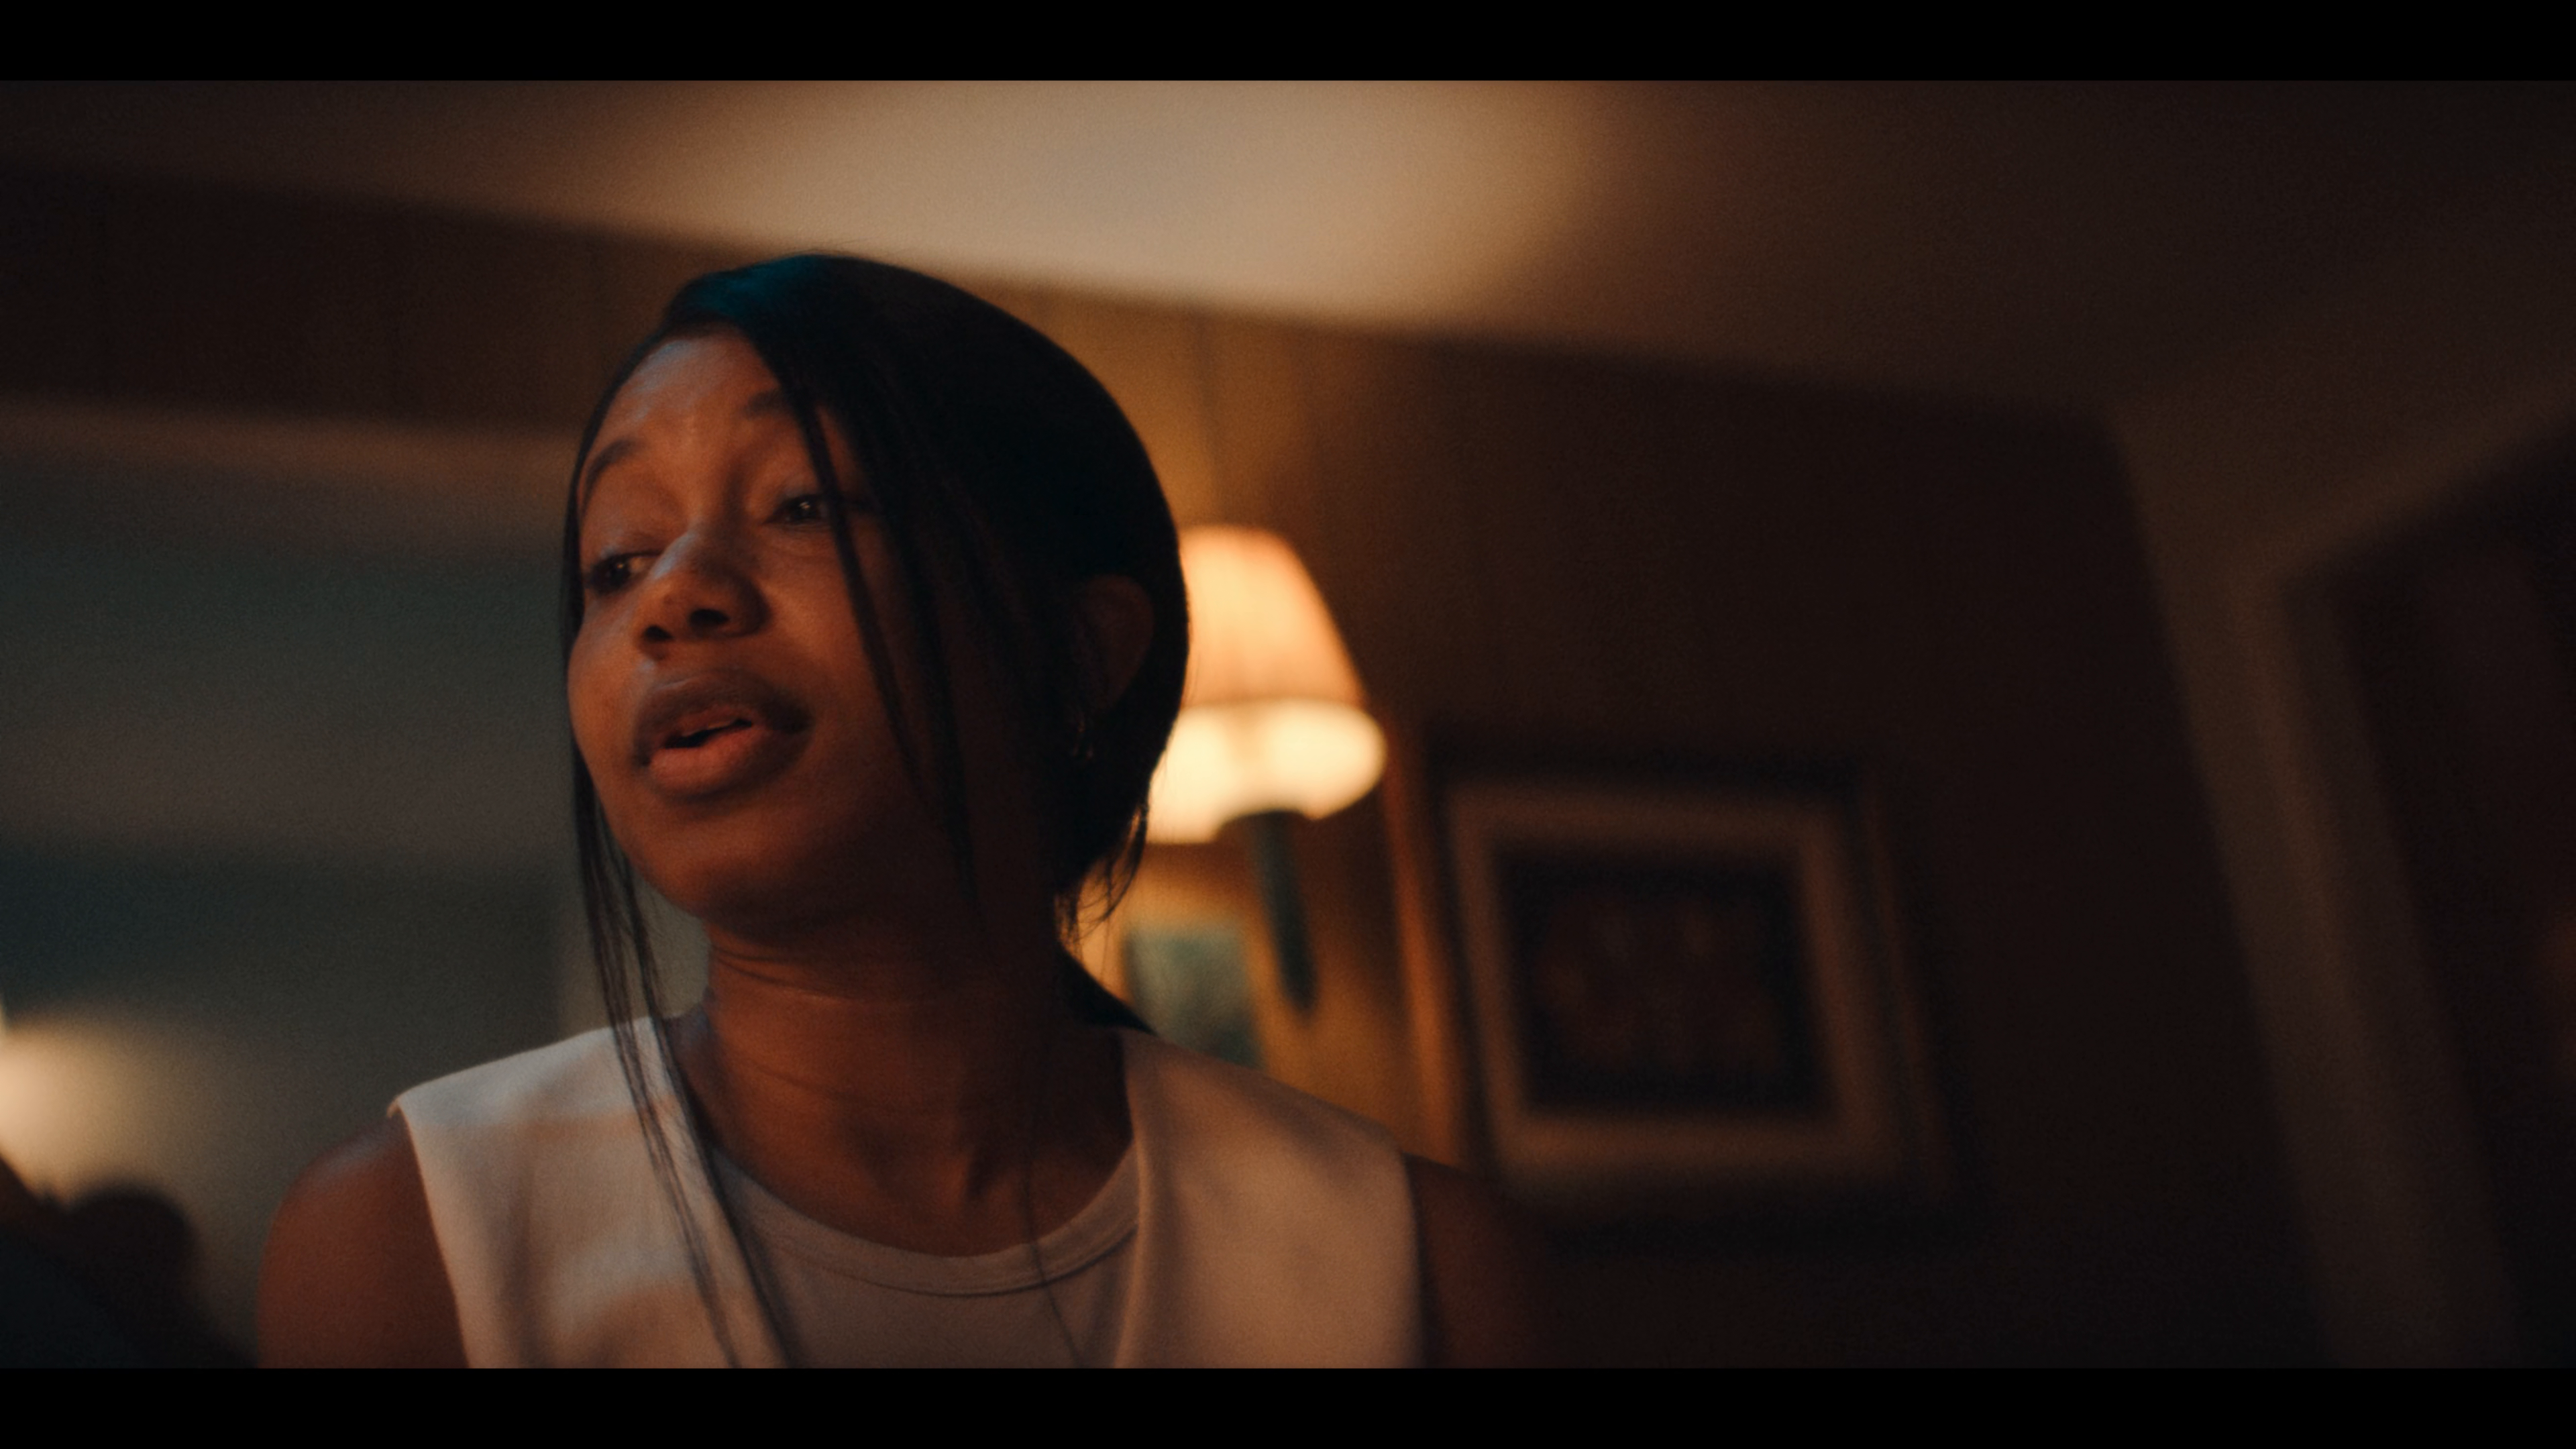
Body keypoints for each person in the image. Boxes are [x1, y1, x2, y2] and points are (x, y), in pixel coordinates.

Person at [257, 254, 1545, 1366]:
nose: (672, 597)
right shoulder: (411, 1241)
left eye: (806, 504)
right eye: (617, 560)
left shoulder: (1419, 1267)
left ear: (1076, 654)